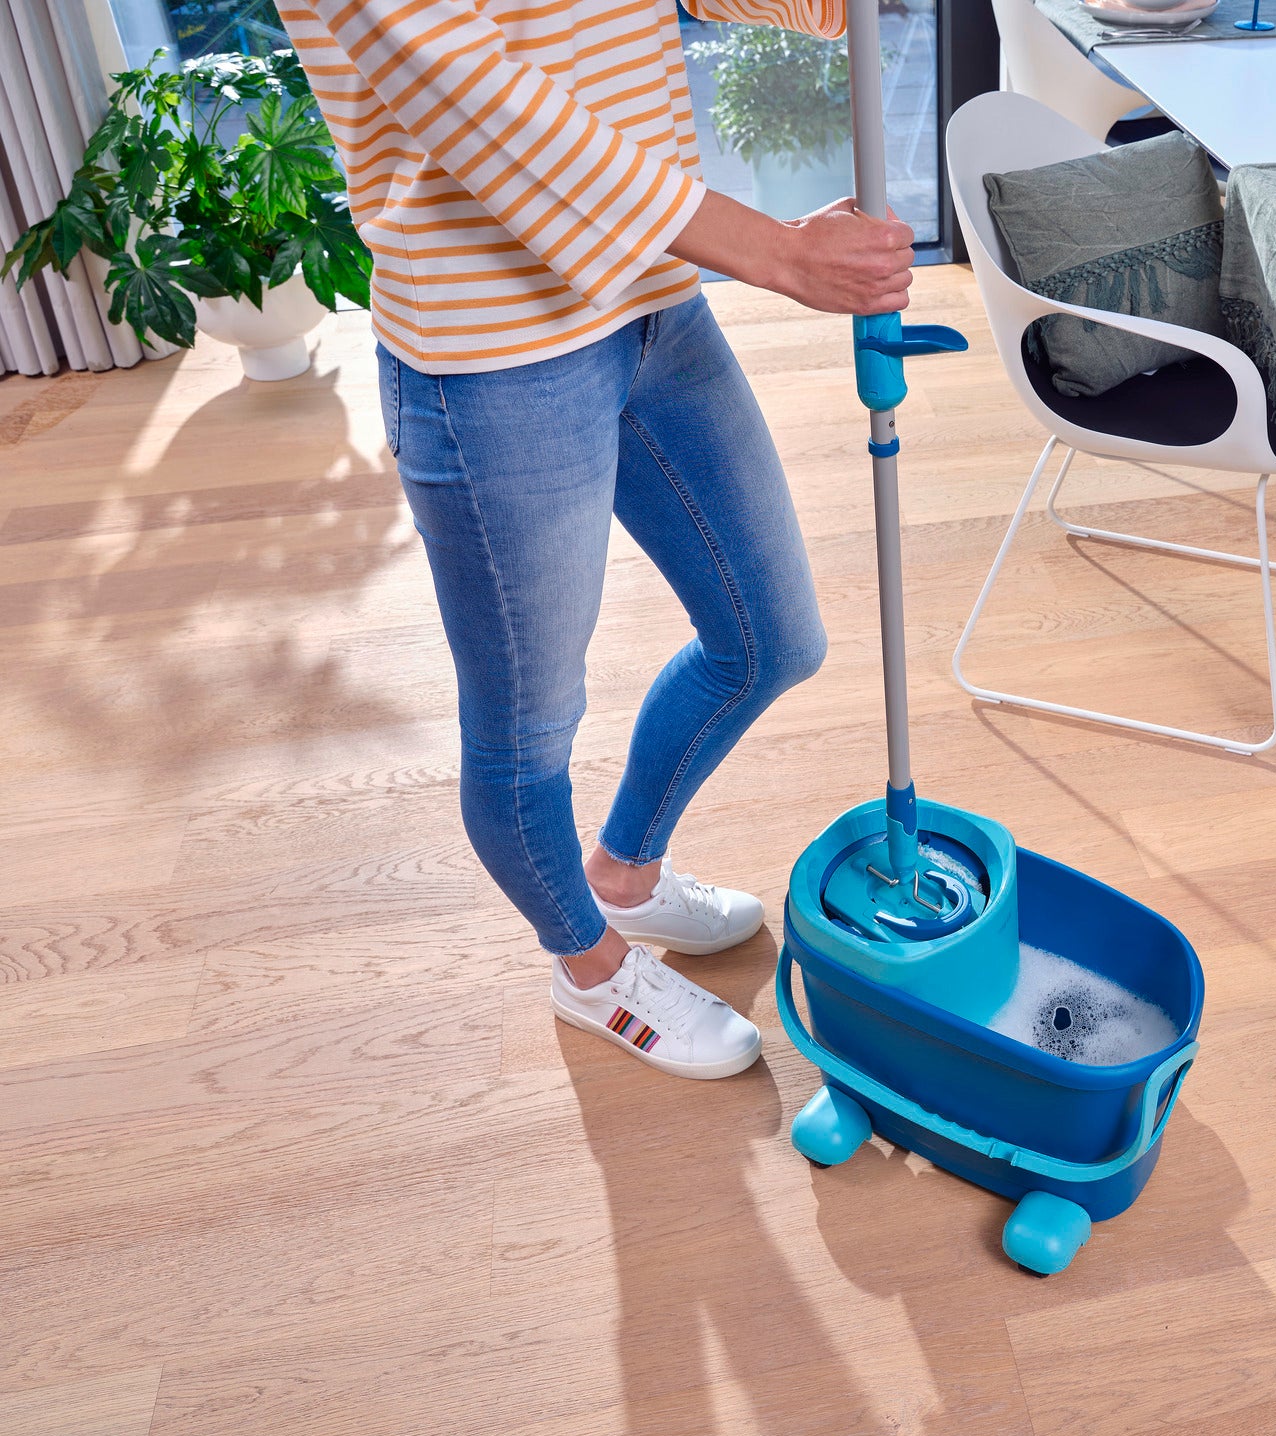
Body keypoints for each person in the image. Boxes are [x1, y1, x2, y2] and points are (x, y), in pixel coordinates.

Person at [280, 0, 914, 1078]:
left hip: (651, 301)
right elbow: (475, 97)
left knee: (770, 638)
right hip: (496, 355)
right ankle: (589, 964)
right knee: (528, 735)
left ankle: (623, 869)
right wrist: (773, 252)